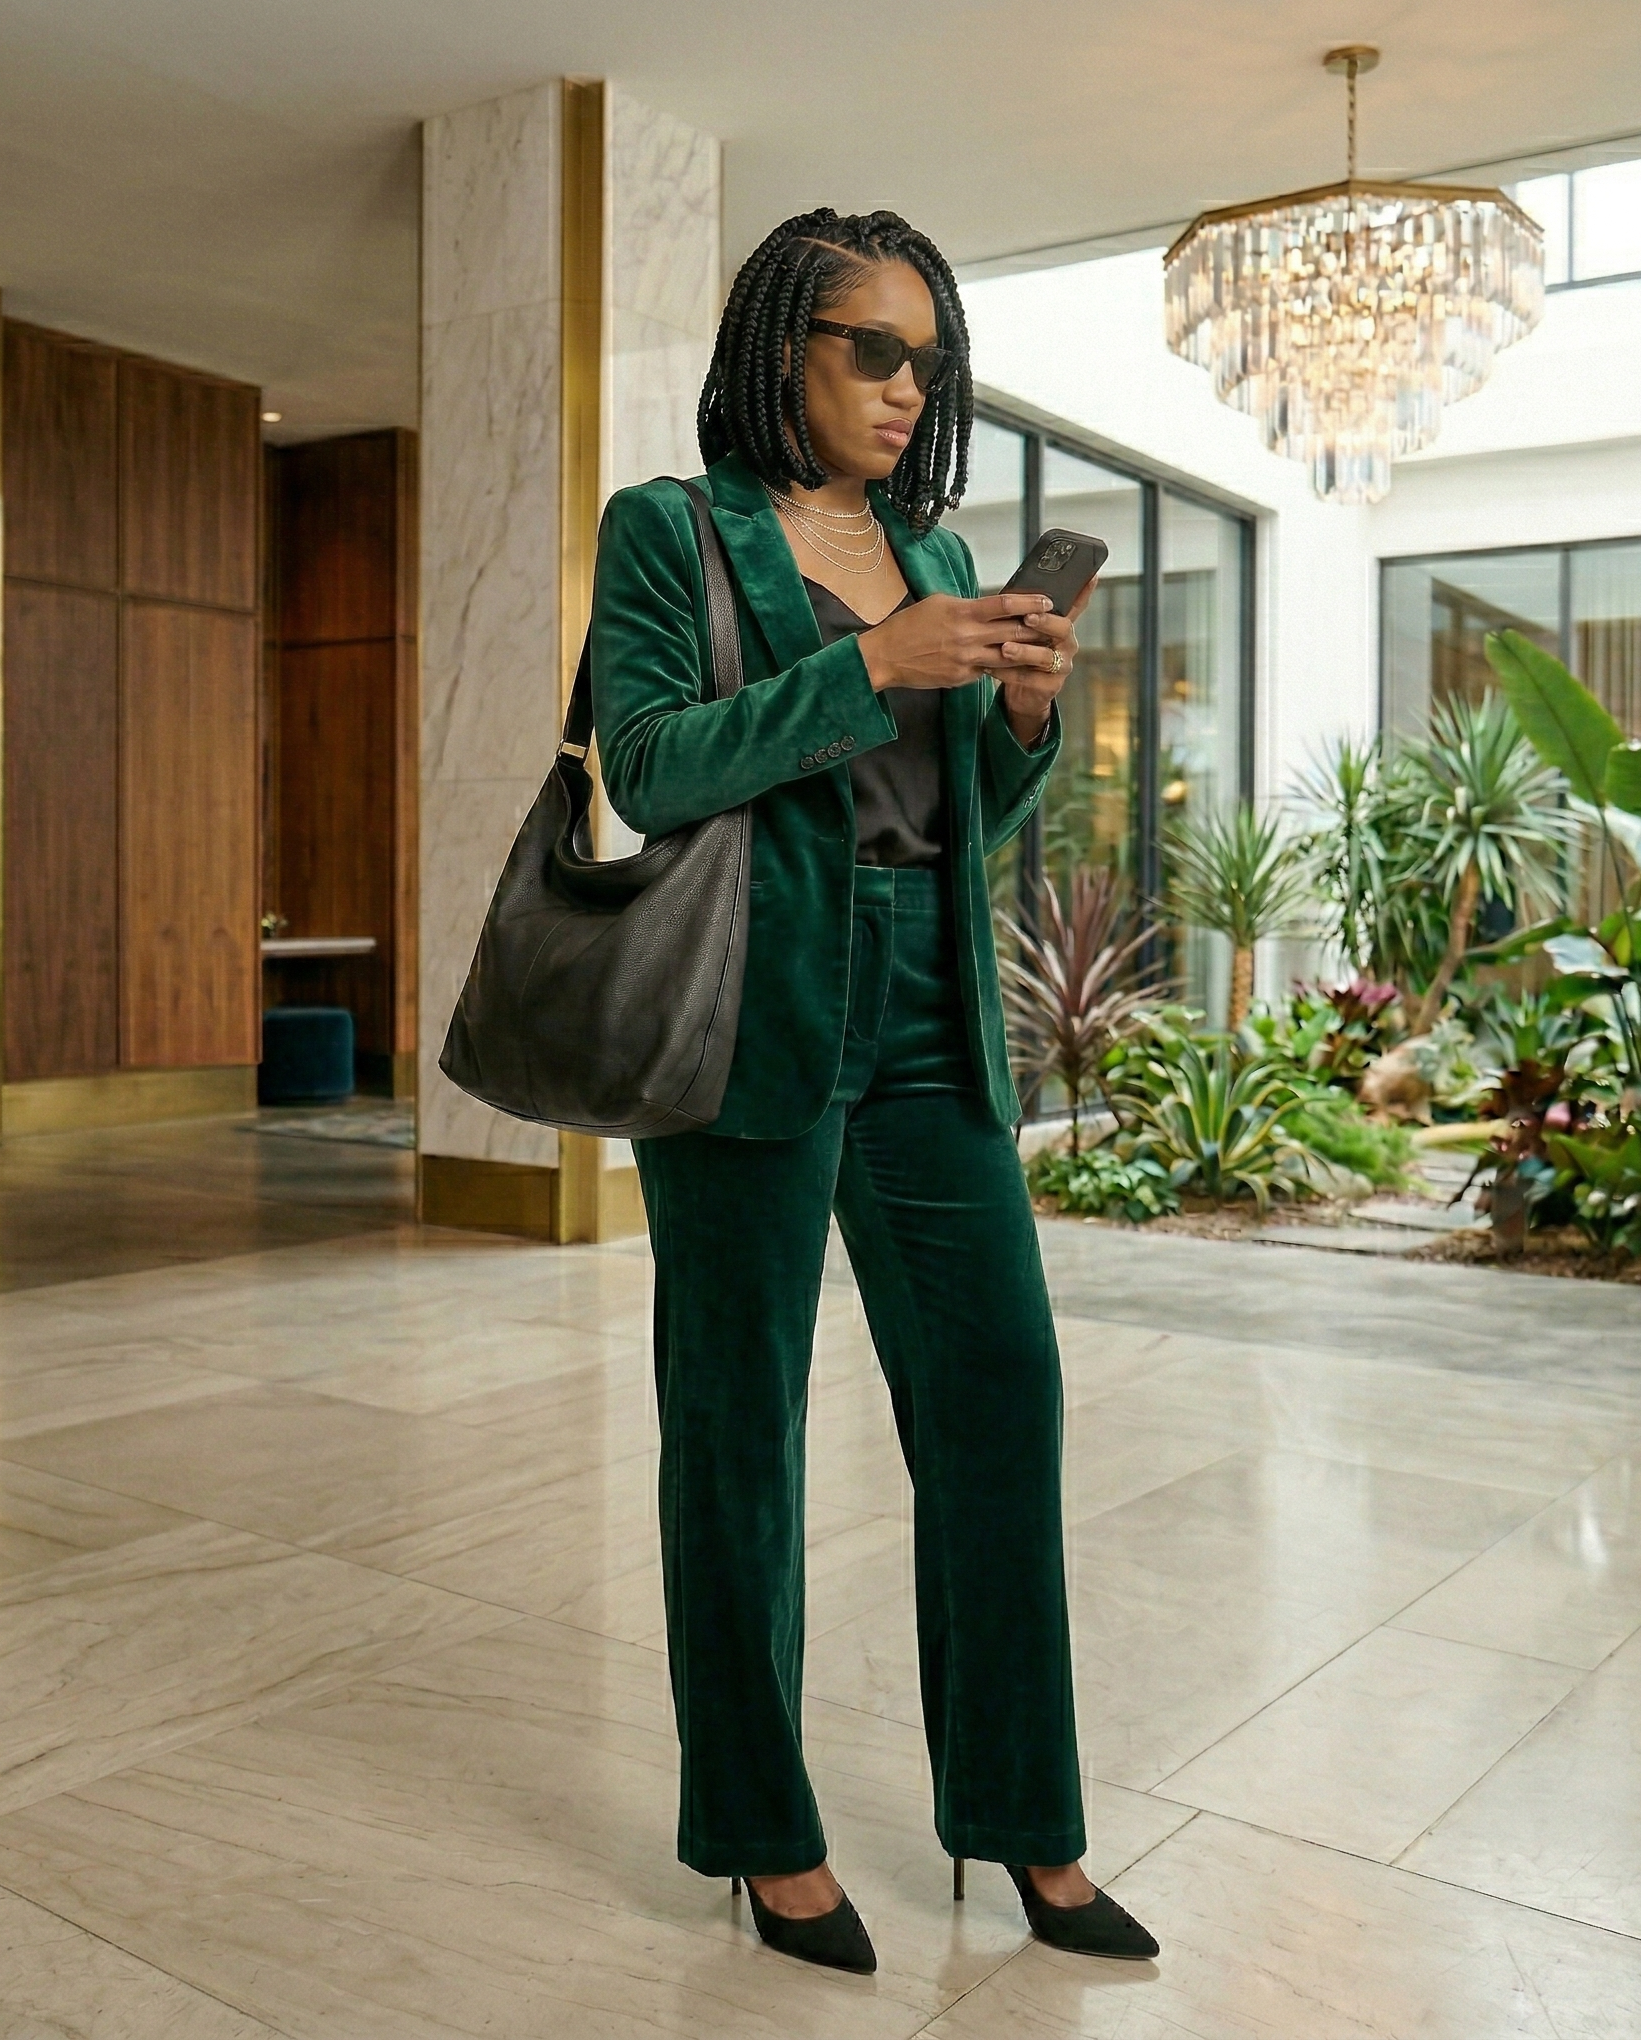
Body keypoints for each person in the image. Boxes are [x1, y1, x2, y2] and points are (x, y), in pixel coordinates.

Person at [588, 207, 1158, 1976]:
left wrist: (1020, 723)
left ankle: (1026, 1826)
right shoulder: (671, 533)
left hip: (929, 1005)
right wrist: (869, 668)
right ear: (783, 352)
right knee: (739, 1428)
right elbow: (651, 764)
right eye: (874, 349)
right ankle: (764, 1837)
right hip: (752, 1001)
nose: (914, 387)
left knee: (999, 1398)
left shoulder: (936, 547)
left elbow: (951, 822)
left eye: (933, 356)